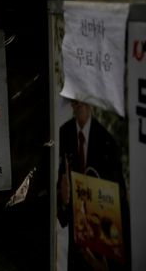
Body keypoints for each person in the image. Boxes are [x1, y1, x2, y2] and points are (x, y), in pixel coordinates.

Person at [56, 99, 129, 270]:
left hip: (101, 246)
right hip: (76, 246)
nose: (78, 103)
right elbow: (60, 204)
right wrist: (63, 199)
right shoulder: (63, 134)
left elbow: (119, 201)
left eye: (83, 98)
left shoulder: (108, 142)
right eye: (74, 99)